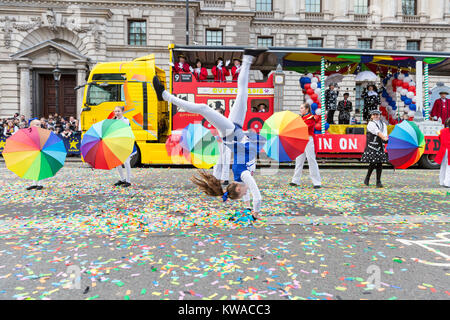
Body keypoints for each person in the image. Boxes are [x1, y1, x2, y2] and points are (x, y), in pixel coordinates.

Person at [153, 48, 267, 220]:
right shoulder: (242, 181)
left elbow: (256, 195)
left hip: (230, 134)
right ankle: (248, 57)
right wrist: (247, 208)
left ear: (237, 188)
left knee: (204, 108)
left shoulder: (242, 175)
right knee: (243, 92)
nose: (246, 193)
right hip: (236, 129)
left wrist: (255, 212)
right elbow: (249, 195)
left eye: (243, 193)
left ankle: (165, 96)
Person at [290, 103, 321, 189]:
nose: (300, 109)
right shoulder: (300, 118)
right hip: (300, 140)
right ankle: (295, 180)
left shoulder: (311, 118)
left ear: (307, 109)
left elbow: (305, 127)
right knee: (299, 160)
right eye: (300, 108)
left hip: (307, 139)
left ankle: (316, 181)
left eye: (302, 108)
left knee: (311, 160)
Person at [361, 109, 388, 188]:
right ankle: (367, 177)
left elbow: (384, 133)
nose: (376, 116)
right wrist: (383, 137)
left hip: (380, 145)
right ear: (371, 116)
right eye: (374, 115)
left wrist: (386, 138)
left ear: (380, 115)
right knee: (373, 163)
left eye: (377, 115)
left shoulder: (383, 124)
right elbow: (377, 132)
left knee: (380, 163)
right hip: (372, 145)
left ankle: (378, 181)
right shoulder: (371, 124)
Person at [112, 106, 134, 188]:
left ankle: (128, 181)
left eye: (118, 111)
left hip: (125, 143)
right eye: (115, 111)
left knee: (126, 162)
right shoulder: (114, 121)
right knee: (117, 162)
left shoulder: (126, 120)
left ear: (122, 112)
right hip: (117, 143)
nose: (117, 113)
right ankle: (122, 179)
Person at [212, 107, 231, 186]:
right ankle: (216, 178)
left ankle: (225, 178)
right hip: (217, 143)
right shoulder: (213, 121)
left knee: (225, 160)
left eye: (218, 113)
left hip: (225, 144)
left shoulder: (225, 122)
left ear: (222, 114)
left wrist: (221, 138)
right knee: (217, 160)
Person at [26, 119, 45, 190]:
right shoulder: (29, 133)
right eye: (37, 124)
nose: (38, 126)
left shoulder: (42, 133)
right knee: (33, 168)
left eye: (39, 125)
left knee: (40, 168)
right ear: (31, 125)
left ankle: (40, 183)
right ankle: (34, 183)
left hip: (40, 151)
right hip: (32, 152)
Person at [436, 118, 450, 188]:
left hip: (443, 150)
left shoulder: (442, 131)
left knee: (443, 166)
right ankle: (447, 182)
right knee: (449, 167)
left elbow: (439, 138)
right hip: (449, 150)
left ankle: (442, 181)